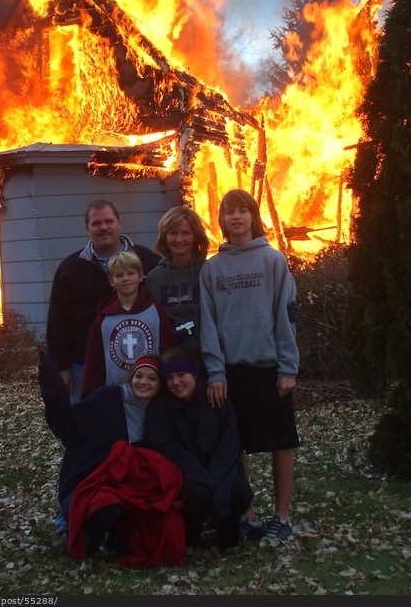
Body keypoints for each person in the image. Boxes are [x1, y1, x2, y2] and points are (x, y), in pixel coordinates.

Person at [199, 188, 300, 542]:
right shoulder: (212, 269)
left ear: (253, 217)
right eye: (229, 212)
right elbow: (208, 323)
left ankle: (282, 516)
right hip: (231, 371)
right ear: (222, 221)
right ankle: (248, 515)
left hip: (269, 367)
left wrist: (288, 367)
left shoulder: (273, 260)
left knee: (281, 441)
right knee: (235, 444)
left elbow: (285, 316)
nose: (236, 217)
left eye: (242, 211)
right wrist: (215, 371)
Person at [38, 352, 186, 566]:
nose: (143, 382)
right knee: (104, 506)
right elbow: (68, 426)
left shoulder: (161, 413)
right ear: (131, 378)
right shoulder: (107, 398)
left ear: (160, 384)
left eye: (151, 378)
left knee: (166, 520)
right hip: (90, 481)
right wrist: (53, 389)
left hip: (133, 486)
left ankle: (121, 540)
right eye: (139, 376)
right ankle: (87, 537)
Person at [46, 198, 161, 405]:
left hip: (139, 364)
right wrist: (62, 368)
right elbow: (58, 321)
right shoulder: (71, 268)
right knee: (90, 423)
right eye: (96, 223)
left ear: (119, 223)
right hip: (85, 364)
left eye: (108, 221)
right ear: (87, 229)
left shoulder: (147, 260)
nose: (103, 228)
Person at [146, 346, 253, 552]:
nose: (176, 382)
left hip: (219, 471)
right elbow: (167, 449)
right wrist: (202, 478)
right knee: (195, 496)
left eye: (181, 374)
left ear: (194, 373)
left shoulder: (216, 398)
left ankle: (228, 532)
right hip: (186, 474)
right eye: (169, 377)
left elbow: (230, 444)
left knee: (238, 492)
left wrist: (215, 478)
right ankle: (190, 532)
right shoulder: (160, 407)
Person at [81, 251, 176, 398]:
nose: (125, 279)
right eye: (119, 275)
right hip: (116, 394)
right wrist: (90, 396)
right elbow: (94, 361)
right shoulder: (104, 318)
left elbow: (168, 349)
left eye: (130, 273)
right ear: (111, 281)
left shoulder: (155, 311)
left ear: (140, 276)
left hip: (154, 394)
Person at [145, 206, 210, 350]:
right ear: (164, 237)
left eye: (185, 233)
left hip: (206, 354)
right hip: (170, 356)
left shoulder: (208, 271)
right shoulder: (154, 279)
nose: (179, 239)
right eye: (173, 233)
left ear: (195, 237)